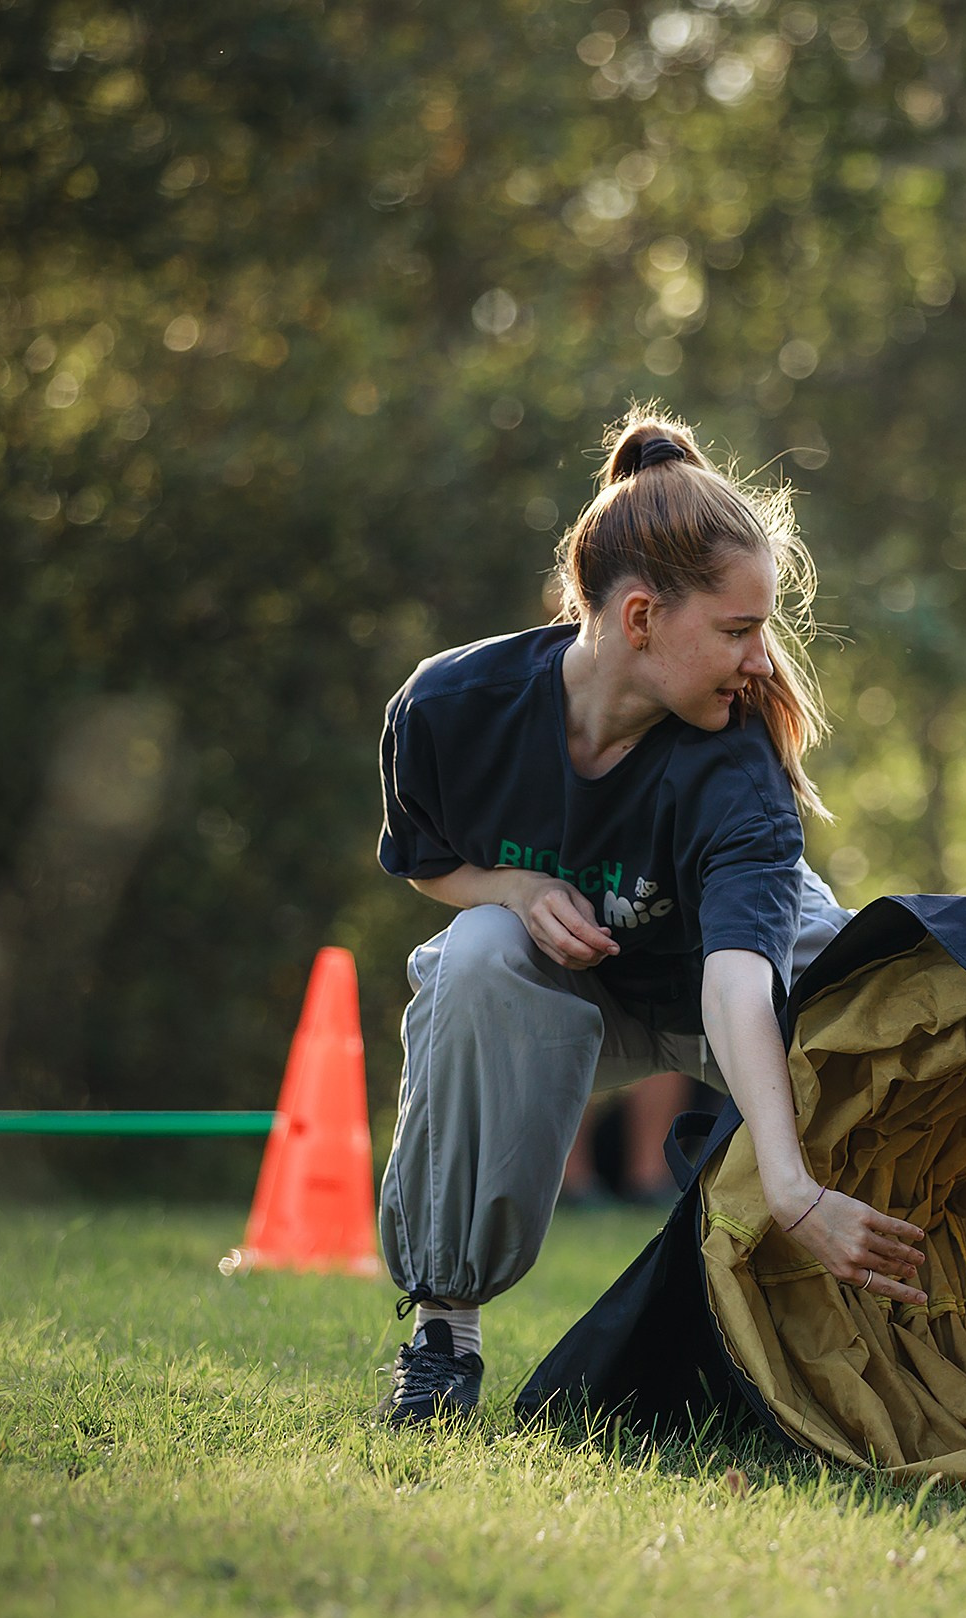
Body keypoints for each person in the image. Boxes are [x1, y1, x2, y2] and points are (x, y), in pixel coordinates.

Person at [371, 411, 929, 1426]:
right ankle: (442, 1336)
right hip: (590, 1001)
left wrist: (793, 1185)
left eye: (763, 629)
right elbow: (429, 863)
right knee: (479, 954)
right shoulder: (450, 709)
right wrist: (512, 890)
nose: (762, 660)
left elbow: (735, 981)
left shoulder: (734, 760)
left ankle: (925, 1330)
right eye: (737, 630)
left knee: (884, 1028)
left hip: (738, 978)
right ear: (638, 619)